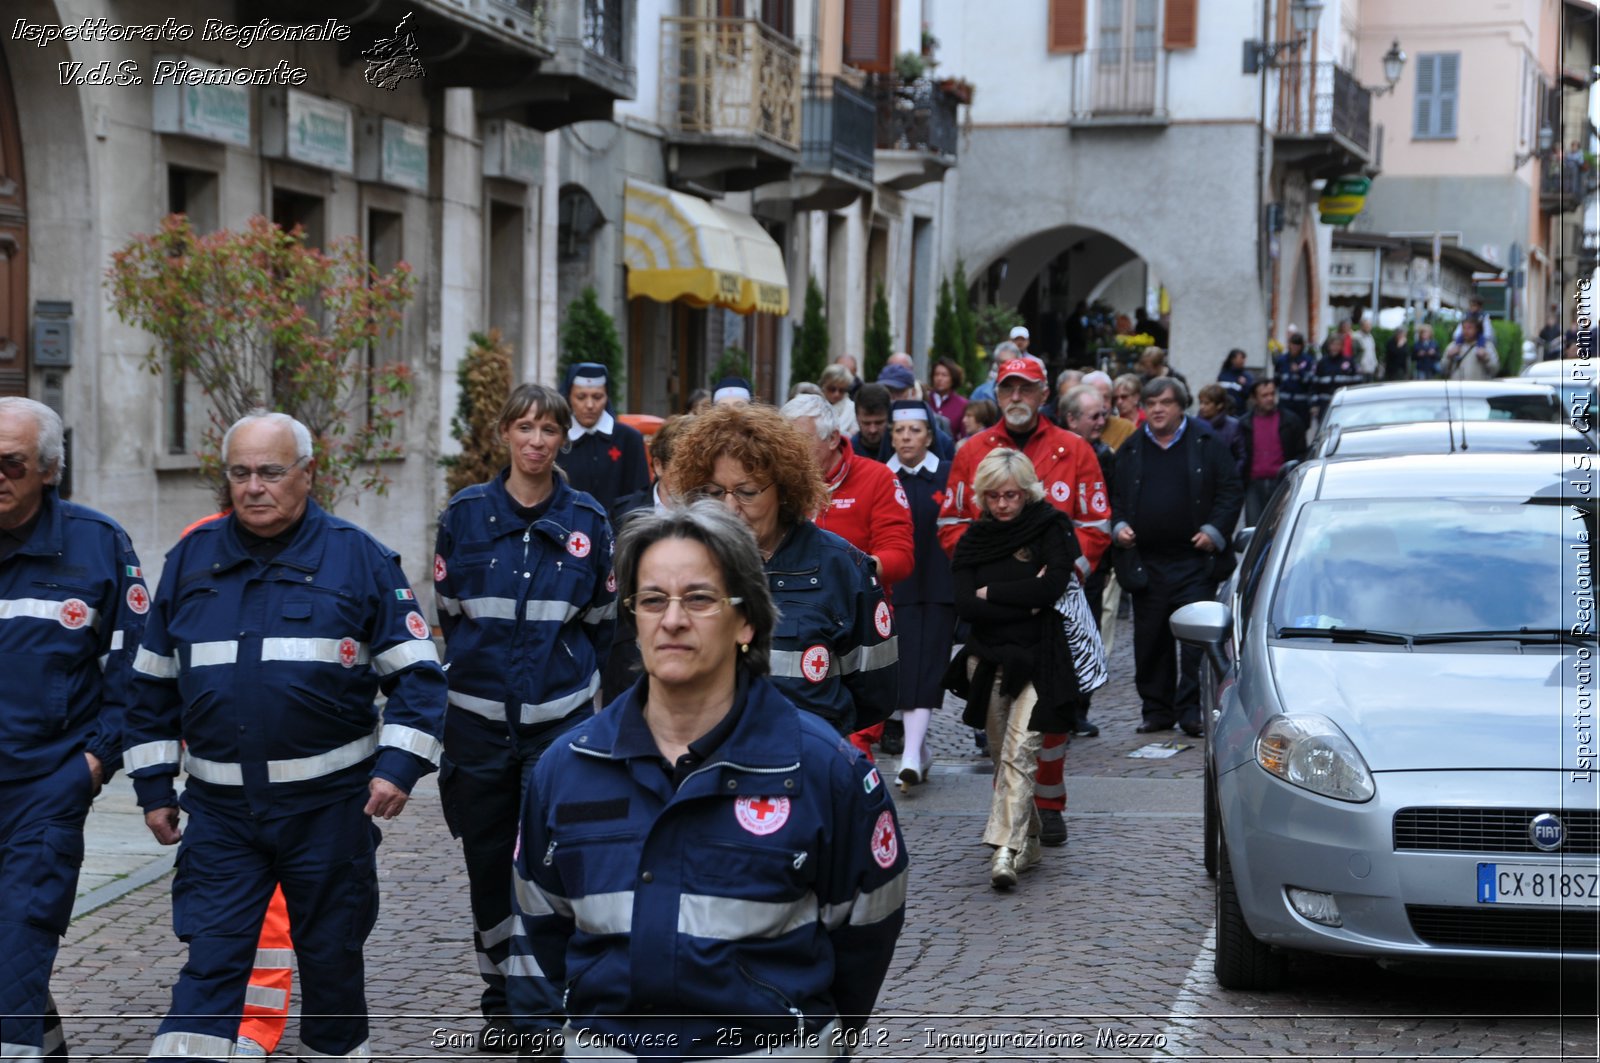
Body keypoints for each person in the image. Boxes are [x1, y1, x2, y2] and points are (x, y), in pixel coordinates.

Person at [503, 502, 907, 1059]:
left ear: (746, 620)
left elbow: (865, 936)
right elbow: (541, 930)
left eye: (698, 598)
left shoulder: (825, 772)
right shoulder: (567, 767)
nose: (672, 619)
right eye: (651, 600)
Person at [125, 411, 447, 1062]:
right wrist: (154, 784)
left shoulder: (359, 560)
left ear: (308, 473)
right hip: (220, 815)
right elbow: (150, 683)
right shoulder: (191, 560)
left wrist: (398, 767)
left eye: (270, 472)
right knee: (210, 960)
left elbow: (419, 676)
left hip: (328, 814)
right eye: (239, 472)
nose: (253, 486)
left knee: (331, 964)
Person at [433, 384, 616, 1040]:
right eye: (525, 426)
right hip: (476, 728)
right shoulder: (464, 515)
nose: (536, 440)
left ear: (563, 438)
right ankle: (500, 998)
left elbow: (602, 625)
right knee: (487, 865)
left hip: (559, 727)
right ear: (505, 433)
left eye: (548, 428)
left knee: (551, 861)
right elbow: (450, 615)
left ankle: (545, 994)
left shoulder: (588, 521)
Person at [0, 398, 147, 1061]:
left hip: (43, 789)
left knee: (20, 939)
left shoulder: (99, 544)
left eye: (11, 463)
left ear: (49, 471)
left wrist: (92, 762)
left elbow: (137, 671)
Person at [939, 357, 1110, 850]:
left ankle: (1049, 804)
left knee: (1052, 713)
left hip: (1056, 610)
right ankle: (1011, 807)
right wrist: (999, 580)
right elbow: (951, 524)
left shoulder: (1074, 448)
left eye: (1026, 388)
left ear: (1043, 394)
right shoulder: (972, 450)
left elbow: (1095, 526)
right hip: (995, 618)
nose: (1016, 396)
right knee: (999, 714)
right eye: (1007, 388)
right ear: (997, 392)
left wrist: (1057, 582)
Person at [667, 403, 897, 737]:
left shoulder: (842, 568)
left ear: (785, 488)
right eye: (715, 493)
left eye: (747, 492)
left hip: (807, 767)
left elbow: (875, 693)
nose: (730, 508)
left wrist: (816, 737)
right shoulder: (684, 561)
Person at [951, 449, 1083, 889]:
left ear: (1026, 492)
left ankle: (1004, 851)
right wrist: (1023, 599)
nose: (1003, 505)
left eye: (1010, 495)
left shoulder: (1050, 526)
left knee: (1020, 752)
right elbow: (966, 603)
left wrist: (995, 594)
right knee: (998, 753)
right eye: (993, 497)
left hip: (1042, 658)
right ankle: (1031, 838)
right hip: (987, 660)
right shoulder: (975, 538)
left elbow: (1053, 587)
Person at [781, 394, 915, 757]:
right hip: (790, 629)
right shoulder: (776, 485)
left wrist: (849, 571)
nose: (789, 452)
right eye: (784, 441)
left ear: (832, 438)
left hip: (856, 626)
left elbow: (900, 556)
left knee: (851, 741)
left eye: (799, 442)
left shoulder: (876, 478)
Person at [1111, 379, 1242, 738]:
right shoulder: (1133, 447)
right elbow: (1116, 493)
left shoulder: (1205, 443)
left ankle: (1191, 710)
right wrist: (1119, 525)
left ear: (1180, 406)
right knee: (1150, 639)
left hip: (1194, 561)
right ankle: (1156, 710)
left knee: (1195, 641)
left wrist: (1215, 531)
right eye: (1151, 402)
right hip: (1147, 562)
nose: (1157, 409)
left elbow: (1230, 490)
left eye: (1165, 402)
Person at [885, 400, 955, 789]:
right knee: (903, 668)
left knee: (929, 667)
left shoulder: (947, 475)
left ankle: (912, 753)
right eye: (899, 431)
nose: (906, 437)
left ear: (930, 435)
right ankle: (919, 750)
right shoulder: (881, 477)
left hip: (939, 587)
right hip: (897, 589)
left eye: (914, 430)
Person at [1060, 384, 1116, 738]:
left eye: (1103, 414)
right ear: (1071, 418)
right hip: (1056, 562)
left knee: (1085, 632)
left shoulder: (1106, 454)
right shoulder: (1059, 452)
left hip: (1090, 562)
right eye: (1093, 416)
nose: (1101, 421)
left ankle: (1079, 708)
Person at [562, 362, 650, 513]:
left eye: (597, 397)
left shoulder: (629, 439)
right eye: (581, 397)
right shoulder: (559, 440)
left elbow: (640, 499)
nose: (589, 405)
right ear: (569, 397)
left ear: (607, 397)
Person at [1237, 379, 1307, 525]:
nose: (1269, 398)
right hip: (1254, 485)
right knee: (1254, 528)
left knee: (1282, 526)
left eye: (1272, 394)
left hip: (1283, 483)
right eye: (1264, 395)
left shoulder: (1291, 421)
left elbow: (1302, 453)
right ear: (1254, 399)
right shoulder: (1244, 424)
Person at [1312, 334, 1364, 429]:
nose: (1335, 347)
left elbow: (1358, 383)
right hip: (1325, 405)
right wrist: (1314, 405)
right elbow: (1314, 385)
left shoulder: (1349, 362)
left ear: (1342, 346)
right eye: (1333, 345)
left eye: (1338, 345)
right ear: (1329, 346)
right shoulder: (1322, 363)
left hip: (1344, 405)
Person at [1272, 332, 1318, 435]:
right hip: (1285, 402)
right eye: (1293, 344)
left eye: (1298, 345)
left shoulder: (1308, 360)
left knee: (1300, 430)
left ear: (1301, 346)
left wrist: (1299, 372)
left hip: (1301, 404)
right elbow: (1276, 381)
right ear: (1289, 345)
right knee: (1284, 430)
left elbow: (1310, 382)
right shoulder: (1282, 360)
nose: (1295, 347)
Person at [1196, 383, 1246, 477]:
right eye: (1200, 403)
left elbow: (1241, 457)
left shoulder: (1233, 426)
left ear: (1219, 405)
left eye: (1206, 403)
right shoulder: (1194, 424)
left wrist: (1232, 477)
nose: (1202, 407)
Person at [1084, 371, 1135, 451]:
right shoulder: (1076, 429)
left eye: (1106, 397)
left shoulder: (1126, 429)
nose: (1103, 404)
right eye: (1097, 397)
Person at [1444, 315, 1499, 381]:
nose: (1466, 331)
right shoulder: (1453, 346)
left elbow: (1495, 370)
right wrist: (1448, 357)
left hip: (1476, 388)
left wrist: (1486, 359)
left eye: (1469, 328)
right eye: (1464, 328)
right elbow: (1443, 369)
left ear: (1477, 329)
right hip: (1457, 387)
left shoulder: (1487, 346)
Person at [851, 383, 893, 463]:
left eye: (879, 423)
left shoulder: (901, 451)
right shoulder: (847, 453)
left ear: (889, 417)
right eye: (866, 423)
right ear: (856, 418)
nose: (872, 430)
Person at [927, 357, 968, 439]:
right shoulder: (925, 399)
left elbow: (965, 436)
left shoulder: (962, 404)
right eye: (936, 374)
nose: (939, 378)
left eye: (944, 375)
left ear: (953, 379)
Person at [820, 363, 859, 436]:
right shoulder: (814, 405)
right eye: (832, 389)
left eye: (841, 390)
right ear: (823, 386)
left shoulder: (852, 408)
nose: (836, 394)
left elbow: (854, 433)